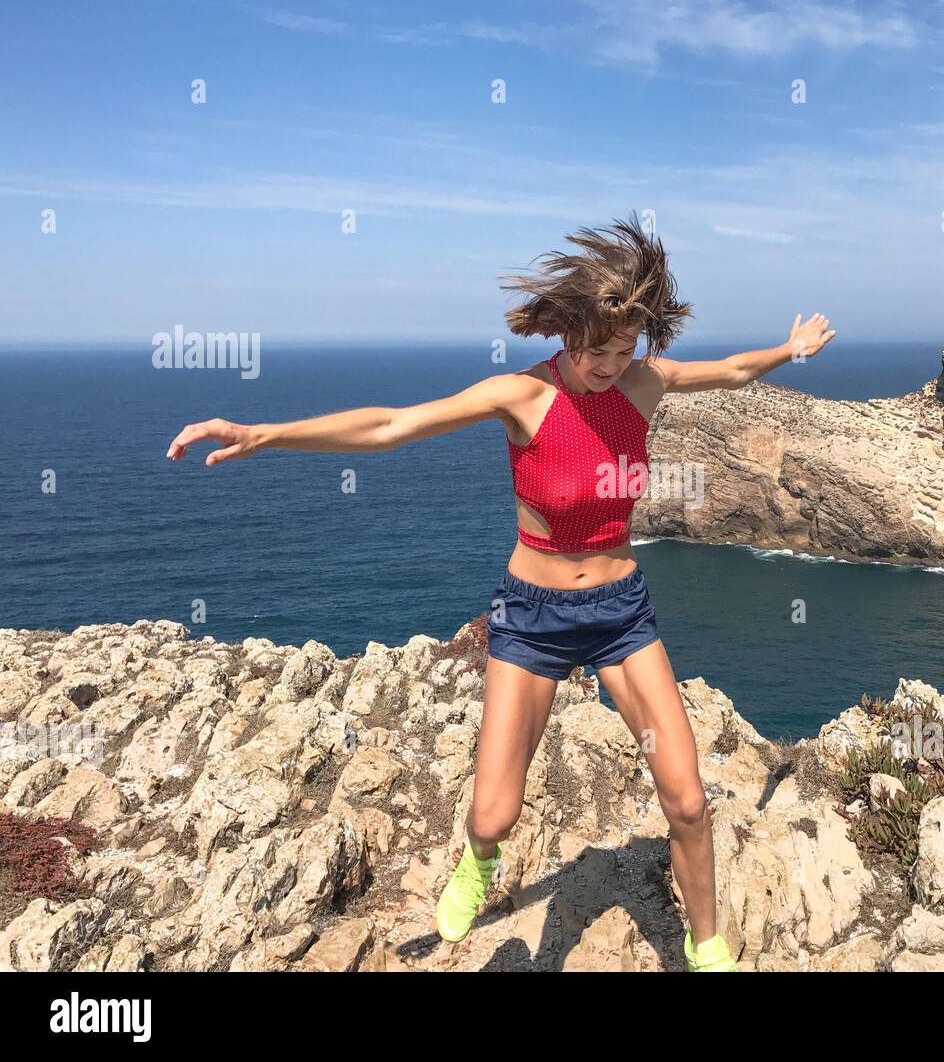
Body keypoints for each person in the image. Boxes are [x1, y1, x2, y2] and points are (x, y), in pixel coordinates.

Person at [165, 215, 836, 971]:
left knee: (686, 799)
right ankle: (479, 858)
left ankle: (705, 941)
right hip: (533, 616)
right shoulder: (520, 395)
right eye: (596, 350)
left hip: (621, 614)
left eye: (626, 350)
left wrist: (792, 349)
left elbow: (735, 370)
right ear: (567, 332)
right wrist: (265, 433)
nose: (611, 365)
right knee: (496, 810)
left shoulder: (647, 382)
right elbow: (390, 425)